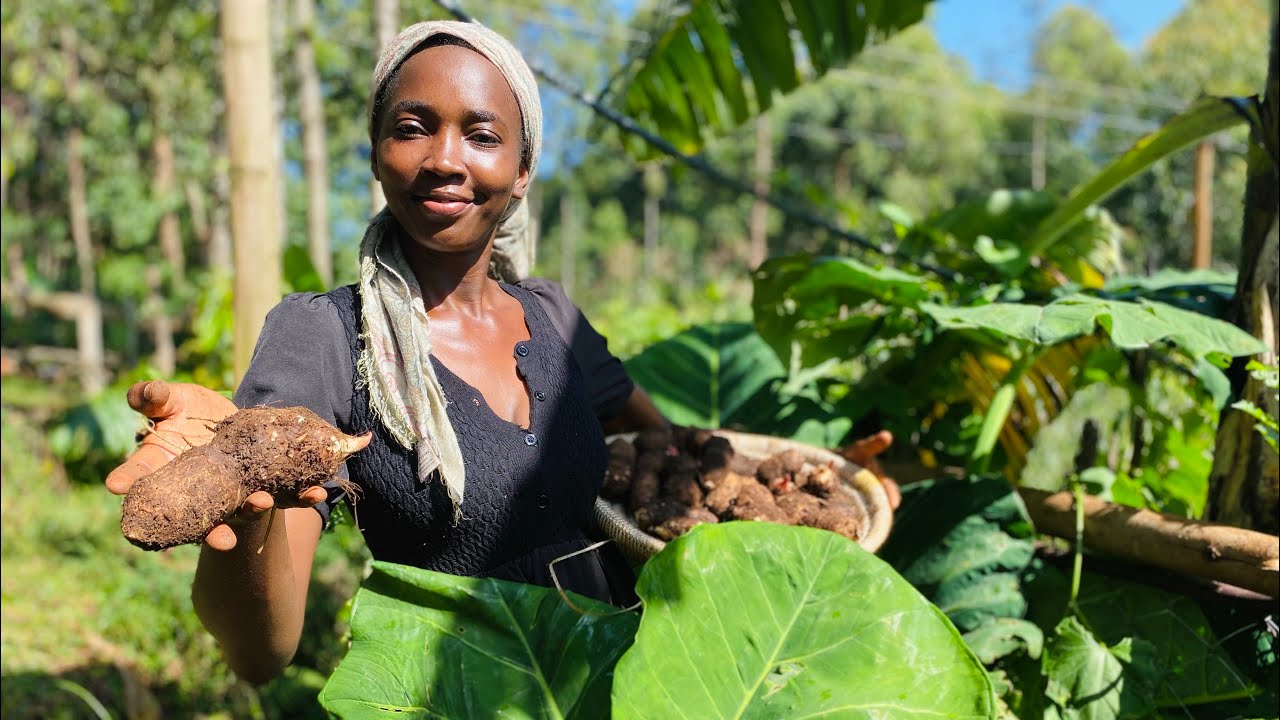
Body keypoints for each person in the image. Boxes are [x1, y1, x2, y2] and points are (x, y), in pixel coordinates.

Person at [104, 19, 900, 685]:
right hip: (458, 694)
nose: (445, 157)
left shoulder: (552, 317)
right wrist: (243, 508)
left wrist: (826, 475)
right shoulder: (326, 336)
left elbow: (686, 462)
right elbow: (261, 655)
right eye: (412, 127)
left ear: (521, 171)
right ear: (378, 151)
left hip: (627, 680)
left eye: (481, 135)